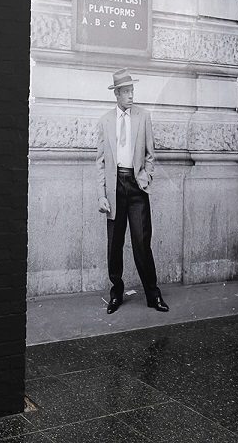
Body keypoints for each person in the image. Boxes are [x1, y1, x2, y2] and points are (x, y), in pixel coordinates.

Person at [96, 68, 168, 314]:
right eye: (126, 91)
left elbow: (150, 154)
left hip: (136, 187)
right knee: (114, 244)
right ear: (116, 94)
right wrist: (101, 194)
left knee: (141, 242)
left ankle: (153, 295)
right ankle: (116, 294)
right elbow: (100, 162)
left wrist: (146, 176)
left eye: (132, 90)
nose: (130, 95)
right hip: (114, 186)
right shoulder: (105, 121)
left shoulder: (143, 116)